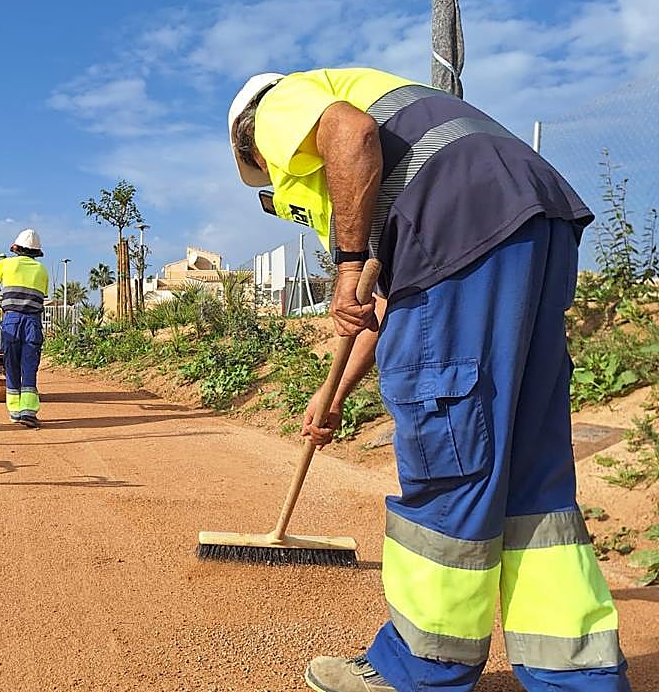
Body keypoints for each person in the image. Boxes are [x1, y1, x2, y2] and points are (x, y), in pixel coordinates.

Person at [227, 68, 629, 692]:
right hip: (534, 221)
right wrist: (330, 392)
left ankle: (420, 669)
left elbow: (348, 133)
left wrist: (349, 260)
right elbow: (374, 311)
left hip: (462, 235)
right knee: (530, 468)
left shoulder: (279, 108)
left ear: (250, 147)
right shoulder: (394, 154)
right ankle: (575, 674)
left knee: (453, 454)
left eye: (279, 192)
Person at [0, 229, 48, 428]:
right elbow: (42, 294)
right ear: (36, 252)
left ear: (16, 248)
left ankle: (14, 411)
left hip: (11, 321)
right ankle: (28, 411)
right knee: (29, 366)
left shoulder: (6, 264)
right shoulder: (42, 270)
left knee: (11, 365)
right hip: (32, 322)